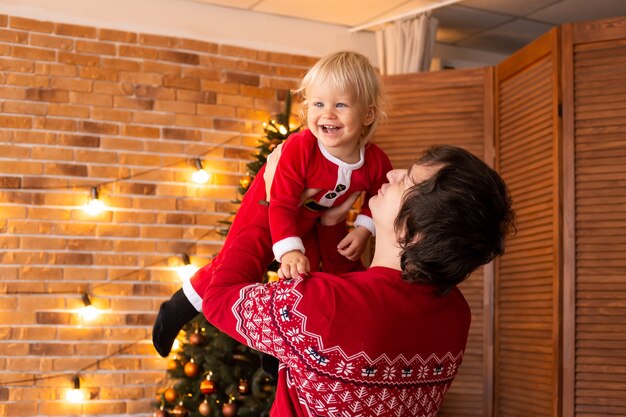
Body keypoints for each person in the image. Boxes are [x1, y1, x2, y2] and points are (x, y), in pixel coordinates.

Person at [201, 144, 515, 417]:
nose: (392, 175)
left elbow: (219, 299)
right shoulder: (456, 314)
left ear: (411, 231)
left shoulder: (315, 304)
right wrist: (331, 226)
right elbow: (361, 307)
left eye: (407, 180)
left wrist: (266, 200)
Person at [152, 51, 392, 357]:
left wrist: (363, 229)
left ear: (368, 115)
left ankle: (275, 352)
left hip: (310, 219)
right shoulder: (301, 147)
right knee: (242, 260)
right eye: (318, 104)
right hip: (268, 206)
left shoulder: (373, 159)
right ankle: (178, 308)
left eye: (341, 105)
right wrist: (288, 249)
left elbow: (378, 193)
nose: (327, 114)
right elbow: (281, 202)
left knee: (304, 278)